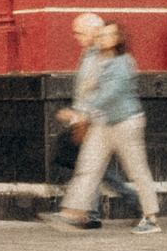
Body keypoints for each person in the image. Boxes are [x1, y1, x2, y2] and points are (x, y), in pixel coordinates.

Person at [43, 20, 161, 234]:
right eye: (102, 35)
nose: (103, 39)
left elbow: (109, 94)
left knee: (137, 172)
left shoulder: (123, 62)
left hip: (126, 123)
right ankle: (72, 213)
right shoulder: (96, 59)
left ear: (117, 39)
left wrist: (79, 113)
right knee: (87, 167)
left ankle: (151, 218)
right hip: (102, 123)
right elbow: (88, 90)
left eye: (108, 35)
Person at [52, 13, 135, 226]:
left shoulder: (102, 56)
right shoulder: (89, 53)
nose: (76, 37)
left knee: (90, 167)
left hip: (97, 119)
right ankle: (96, 211)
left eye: (80, 32)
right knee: (91, 166)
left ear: (94, 31)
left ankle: (98, 211)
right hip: (85, 117)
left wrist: (83, 117)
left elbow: (101, 91)